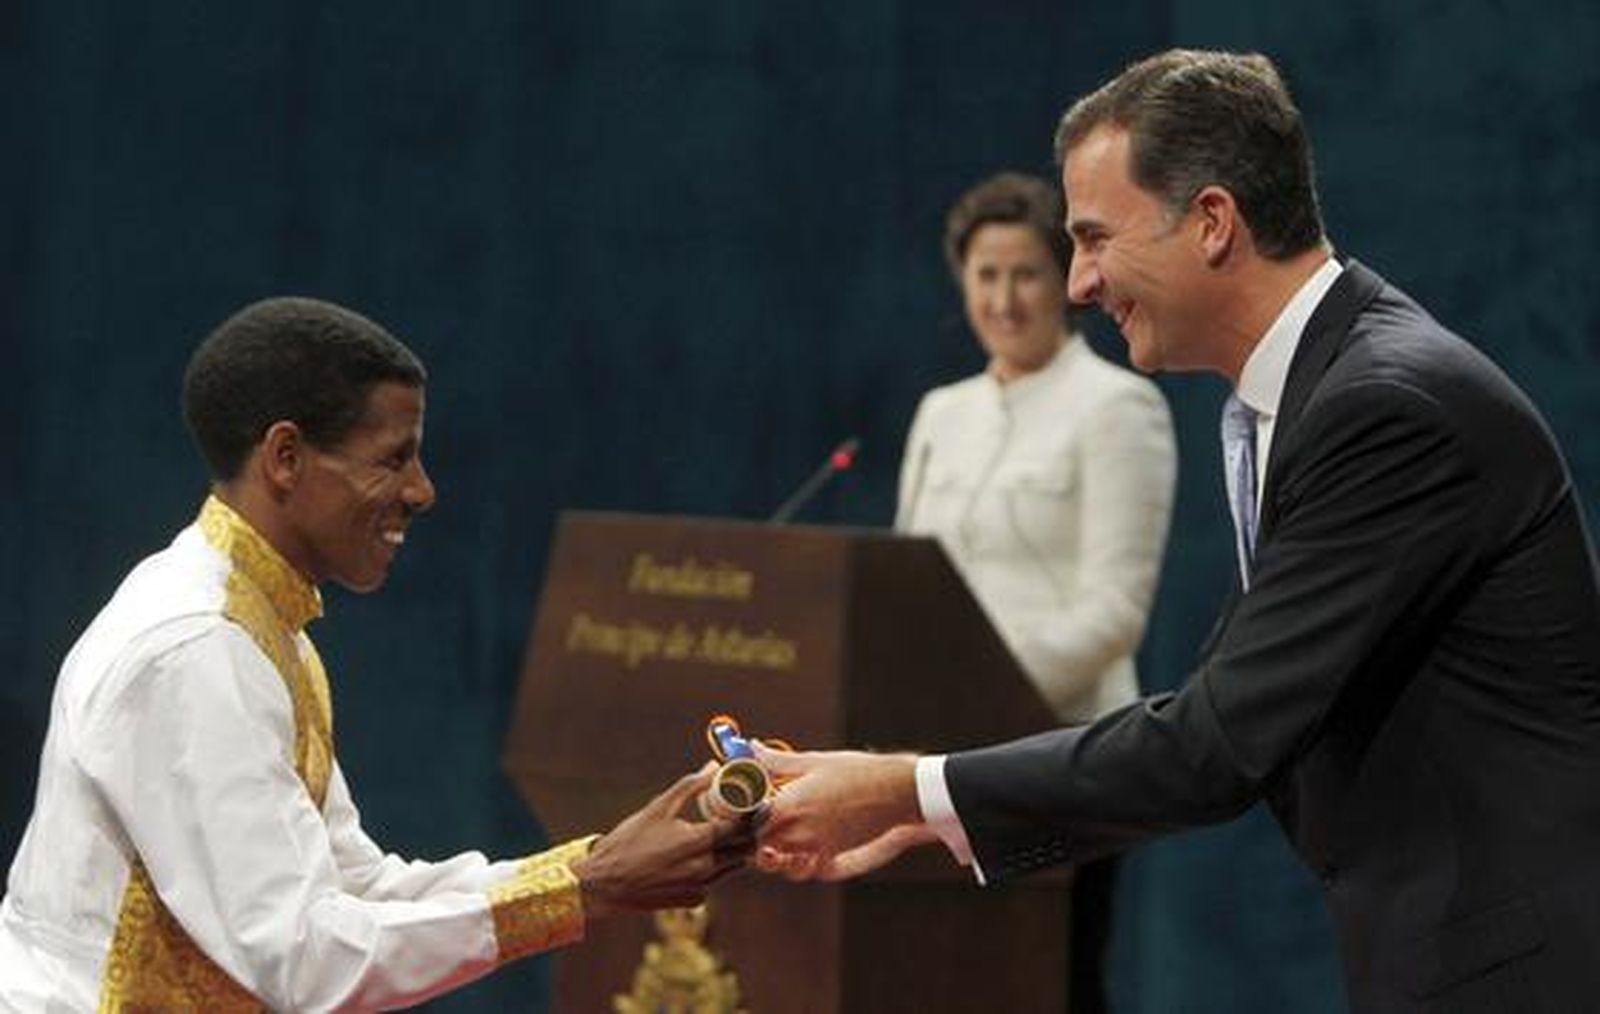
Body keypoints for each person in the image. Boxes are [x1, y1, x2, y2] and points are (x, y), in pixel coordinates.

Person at [754, 49, 1600, 1012]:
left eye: (1093, 239)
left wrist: (908, 788)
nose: (1079, 283)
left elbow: (1214, 743)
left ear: (1211, 222)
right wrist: (926, 807)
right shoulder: (1320, 395)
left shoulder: (1386, 409)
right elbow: (1210, 717)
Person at [0, 297, 752, 1011]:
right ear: (285, 457)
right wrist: (585, 891)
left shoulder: (258, 625)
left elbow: (354, 891)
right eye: (394, 460)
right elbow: (306, 959)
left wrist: (587, 867)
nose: (422, 492)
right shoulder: (197, 648)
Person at [895, 170, 1175, 1012]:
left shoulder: (1118, 407)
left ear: (1066, 282)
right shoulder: (941, 412)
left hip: (1067, 759)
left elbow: (1115, 612)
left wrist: (982, 696)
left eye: (1026, 274)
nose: (1005, 299)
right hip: (939, 762)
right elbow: (905, 586)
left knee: (1051, 988)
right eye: (986, 276)